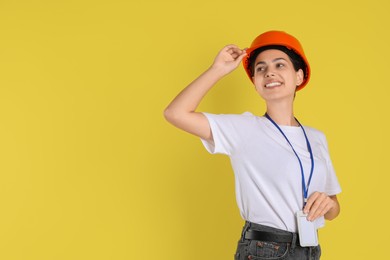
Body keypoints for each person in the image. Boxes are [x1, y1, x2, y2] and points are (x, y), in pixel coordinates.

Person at [164, 30, 341, 260]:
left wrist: (327, 204)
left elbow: (334, 210)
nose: (269, 73)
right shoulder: (244, 129)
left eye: (279, 65)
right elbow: (175, 113)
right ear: (256, 83)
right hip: (265, 249)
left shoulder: (316, 138)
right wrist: (217, 70)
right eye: (261, 68)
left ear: (299, 76)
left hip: (309, 250)